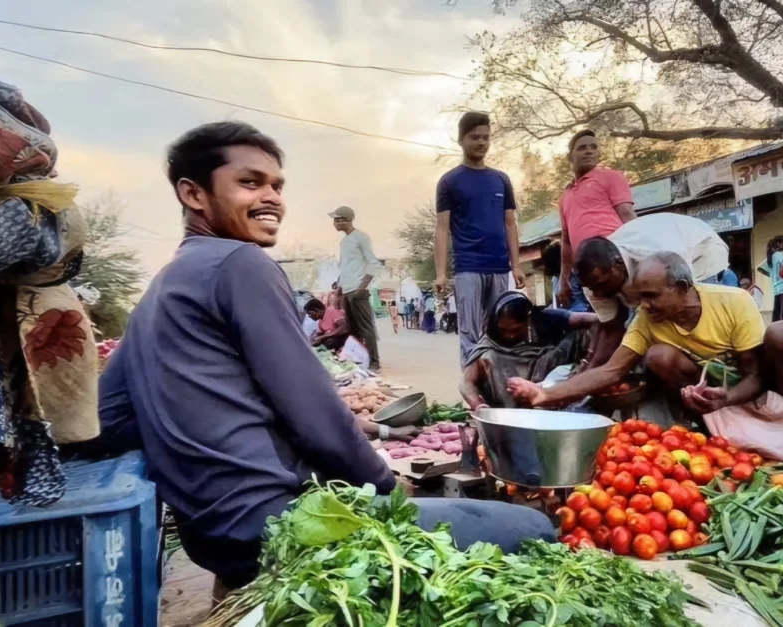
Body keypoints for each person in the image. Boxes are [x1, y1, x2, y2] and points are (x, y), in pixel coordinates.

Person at [98, 121, 555, 599]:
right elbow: (312, 411)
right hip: (274, 524)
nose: (272, 197)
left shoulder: (159, 290)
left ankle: (239, 592)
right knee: (530, 529)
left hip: (207, 534)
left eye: (277, 185)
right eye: (250, 182)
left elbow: (109, 421)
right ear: (193, 194)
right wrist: (386, 488)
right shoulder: (241, 263)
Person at [508, 252, 783, 415]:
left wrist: (729, 398)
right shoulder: (646, 318)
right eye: (640, 297)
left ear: (681, 288)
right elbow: (612, 370)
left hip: (744, 384)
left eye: (652, 295)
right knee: (658, 356)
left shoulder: (734, 302)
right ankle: (702, 418)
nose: (644, 305)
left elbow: (755, 374)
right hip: (707, 386)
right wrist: (545, 393)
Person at [572, 213, 729, 367]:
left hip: (702, 251)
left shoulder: (657, 253)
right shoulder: (593, 284)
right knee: (647, 331)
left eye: (603, 284)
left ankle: (714, 369)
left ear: (618, 264)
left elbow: (683, 297)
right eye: (593, 288)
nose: (598, 293)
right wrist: (590, 369)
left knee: (692, 320)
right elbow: (612, 329)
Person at [435, 111, 525, 365]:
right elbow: (442, 228)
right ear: (461, 139)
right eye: (475, 137)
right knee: (471, 334)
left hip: (499, 268)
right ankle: (473, 395)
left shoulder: (501, 180)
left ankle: (495, 388)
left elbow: (510, 222)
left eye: (486, 138)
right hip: (468, 269)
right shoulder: (449, 182)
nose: (481, 143)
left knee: (499, 330)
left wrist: (516, 265)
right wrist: (441, 273)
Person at [461, 292, 597, 410]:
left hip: (547, 385)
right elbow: (466, 383)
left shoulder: (546, 319)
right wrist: (478, 404)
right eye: (503, 330)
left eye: (516, 330)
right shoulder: (489, 343)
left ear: (528, 319)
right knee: (488, 357)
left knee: (584, 334)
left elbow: (590, 319)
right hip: (503, 406)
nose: (509, 336)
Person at [557, 130, 636, 313]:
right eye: (582, 148)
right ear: (570, 156)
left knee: (639, 310)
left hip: (617, 260)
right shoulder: (565, 196)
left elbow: (627, 214)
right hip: (588, 271)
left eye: (593, 147)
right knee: (608, 323)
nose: (589, 151)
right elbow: (566, 241)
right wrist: (564, 278)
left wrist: (643, 254)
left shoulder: (610, 176)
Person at [331, 205, 383, 371]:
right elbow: (345, 268)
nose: (335, 223)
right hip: (347, 290)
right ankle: (359, 360)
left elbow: (374, 263)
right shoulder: (344, 242)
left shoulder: (360, 237)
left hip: (358, 290)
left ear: (347, 220)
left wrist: (363, 285)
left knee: (365, 327)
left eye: (337, 219)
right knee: (353, 329)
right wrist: (340, 288)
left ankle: (375, 362)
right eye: (334, 220)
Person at [758, 235, 783, 320]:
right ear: (779, 244)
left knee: (777, 313)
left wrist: (772, 275)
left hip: (776, 288)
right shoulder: (781, 255)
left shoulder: (771, 256)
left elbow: (760, 268)